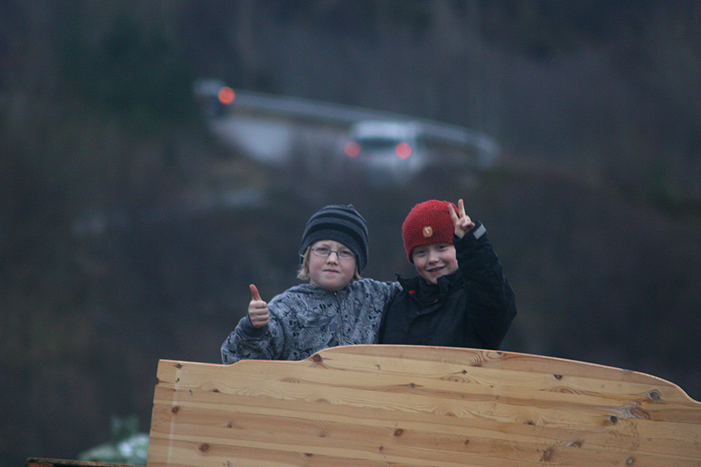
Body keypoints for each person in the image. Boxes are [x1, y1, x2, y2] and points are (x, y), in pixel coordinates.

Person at [221, 204, 402, 363]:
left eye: (345, 252)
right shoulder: (286, 308)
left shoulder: (377, 296)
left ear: (358, 262)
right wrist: (253, 328)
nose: (332, 259)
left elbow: (417, 293)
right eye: (323, 249)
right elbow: (234, 359)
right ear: (307, 257)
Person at [378, 199, 516, 349]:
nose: (432, 259)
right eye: (421, 252)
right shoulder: (397, 303)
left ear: (459, 247)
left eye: (442, 247)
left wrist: (472, 244)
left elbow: (496, 312)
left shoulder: (474, 297)